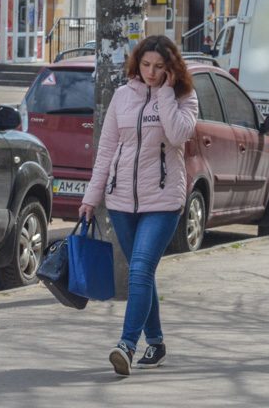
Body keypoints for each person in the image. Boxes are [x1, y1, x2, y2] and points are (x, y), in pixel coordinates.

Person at [79, 35, 198, 377]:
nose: (151, 72)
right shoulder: (122, 96)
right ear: (137, 63)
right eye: (146, 65)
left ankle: (126, 346)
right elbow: (106, 150)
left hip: (162, 201)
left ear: (171, 68)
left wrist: (165, 94)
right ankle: (156, 343)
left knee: (141, 269)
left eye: (159, 67)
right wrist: (91, 197)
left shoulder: (185, 98)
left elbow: (178, 135)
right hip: (121, 202)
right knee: (140, 273)